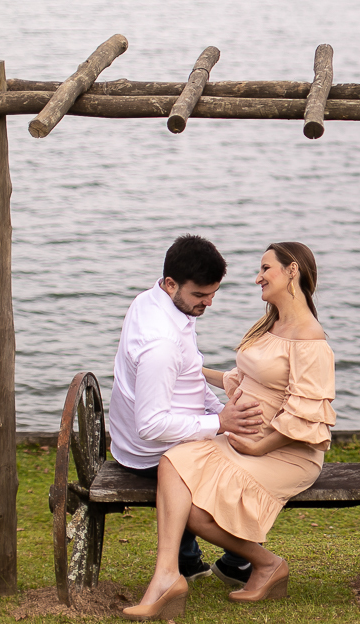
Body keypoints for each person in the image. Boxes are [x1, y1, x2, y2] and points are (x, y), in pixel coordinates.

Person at [122, 242, 336, 621]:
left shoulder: (310, 337)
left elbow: (307, 416)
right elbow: (243, 380)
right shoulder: (270, 324)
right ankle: (167, 576)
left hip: (285, 450)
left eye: (265, 268)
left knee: (199, 511)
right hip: (244, 436)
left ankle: (267, 565)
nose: (258, 277)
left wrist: (258, 447)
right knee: (172, 460)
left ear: (292, 271)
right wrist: (175, 366)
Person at [108, 235, 260, 590]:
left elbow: (185, 378)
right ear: (171, 283)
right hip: (148, 453)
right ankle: (240, 561)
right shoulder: (160, 343)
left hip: (136, 438)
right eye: (200, 295)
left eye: (213, 294)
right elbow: (151, 426)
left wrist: (218, 406)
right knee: (254, 464)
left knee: (246, 436)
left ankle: (188, 560)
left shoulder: (154, 300)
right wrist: (219, 423)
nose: (208, 303)